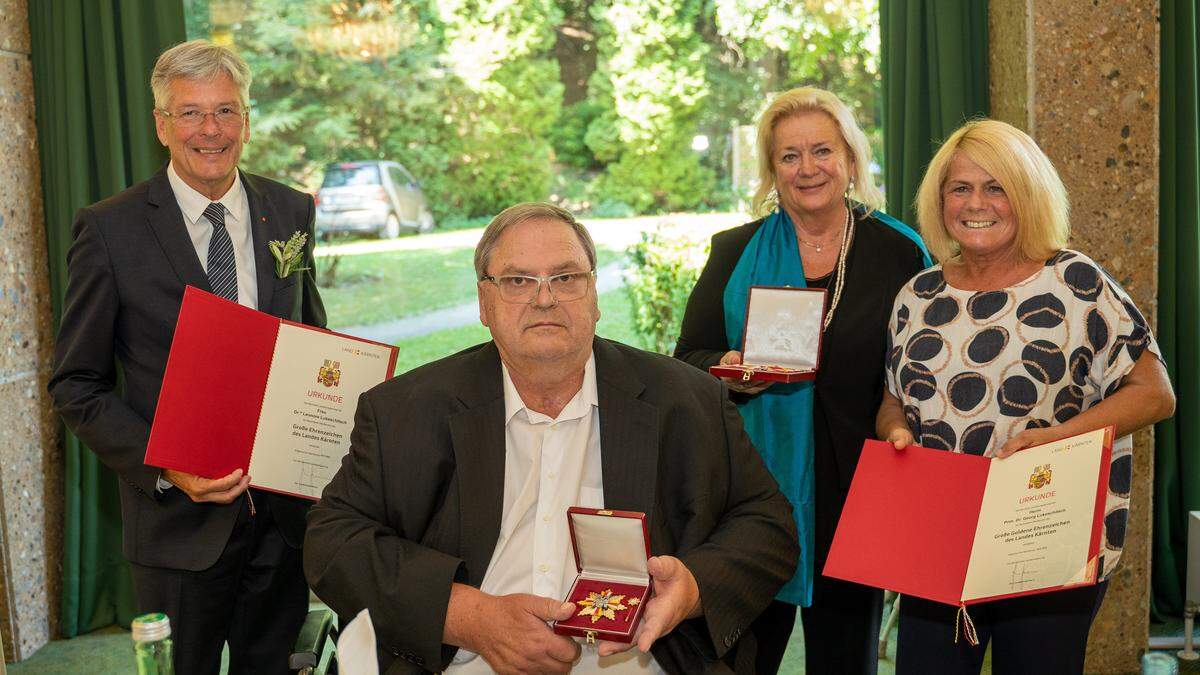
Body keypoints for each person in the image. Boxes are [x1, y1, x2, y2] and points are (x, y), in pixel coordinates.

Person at [304, 202, 798, 674]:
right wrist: (468, 616)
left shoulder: (686, 401)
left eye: (565, 277)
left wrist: (691, 589)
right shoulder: (404, 411)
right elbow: (332, 542)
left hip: (641, 661)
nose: (544, 298)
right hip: (466, 660)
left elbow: (767, 524)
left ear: (595, 295)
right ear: (484, 302)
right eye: (518, 281)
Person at [48, 40, 325, 674]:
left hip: (281, 523)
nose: (210, 130)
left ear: (247, 121)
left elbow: (310, 337)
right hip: (176, 527)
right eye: (191, 113)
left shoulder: (290, 210)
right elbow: (76, 384)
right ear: (161, 125)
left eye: (226, 111)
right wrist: (170, 467)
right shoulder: (109, 228)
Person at [876, 119, 1175, 674]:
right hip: (939, 536)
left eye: (997, 187)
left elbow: (1155, 394)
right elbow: (895, 398)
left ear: (1027, 194)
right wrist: (894, 431)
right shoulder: (917, 295)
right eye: (959, 188)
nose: (976, 203)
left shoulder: (1075, 282)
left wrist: (1057, 439)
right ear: (939, 199)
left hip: (1044, 533)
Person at [674, 87, 930, 674]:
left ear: (850, 158)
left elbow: (921, 370)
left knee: (846, 657)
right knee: (745, 654)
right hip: (753, 494)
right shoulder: (733, 251)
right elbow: (687, 358)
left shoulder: (899, 252)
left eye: (822, 150)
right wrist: (736, 371)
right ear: (772, 169)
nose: (807, 168)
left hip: (859, 489)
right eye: (789, 155)